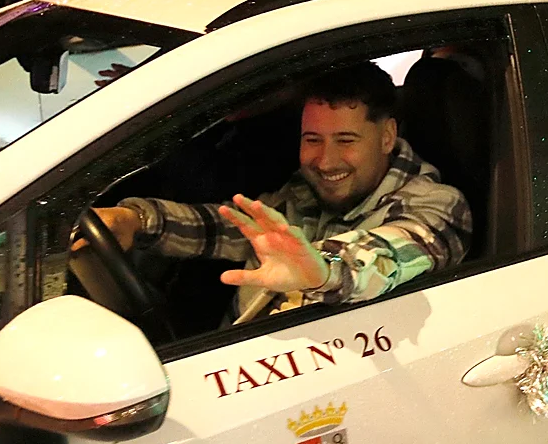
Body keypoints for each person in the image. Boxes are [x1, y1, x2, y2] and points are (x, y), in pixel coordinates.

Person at [82, 61, 472, 324]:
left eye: (346, 140)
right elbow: (228, 228)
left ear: (387, 136)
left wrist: (322, 272)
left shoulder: (436, 207)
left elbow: (386, 257)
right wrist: (137, 219)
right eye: (312, 139)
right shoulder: (305, 192)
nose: (325, 160)